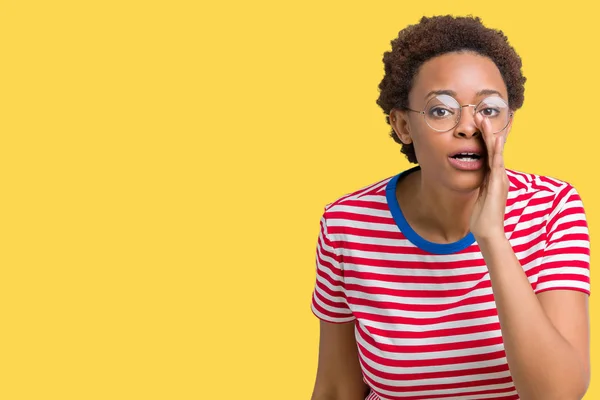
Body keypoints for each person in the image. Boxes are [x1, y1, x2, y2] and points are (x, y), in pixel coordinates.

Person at [309, 15, 591, 400]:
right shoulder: (347, 224)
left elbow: (558, 395)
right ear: (403, 126)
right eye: (441, 110)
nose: (468, 126)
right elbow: (337, 387)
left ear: (508, 123)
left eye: (489, 110)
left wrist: (492, 235)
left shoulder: (552, 208)